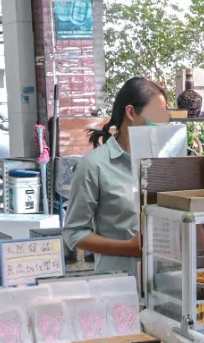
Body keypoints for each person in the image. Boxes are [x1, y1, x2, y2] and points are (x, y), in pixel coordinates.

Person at [63, 78, 170, 274]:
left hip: (164, 281)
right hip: (118, 282)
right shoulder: (93, 166)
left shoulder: (163, 162)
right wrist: (128, 247)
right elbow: (74, 233)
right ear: (131, 113)